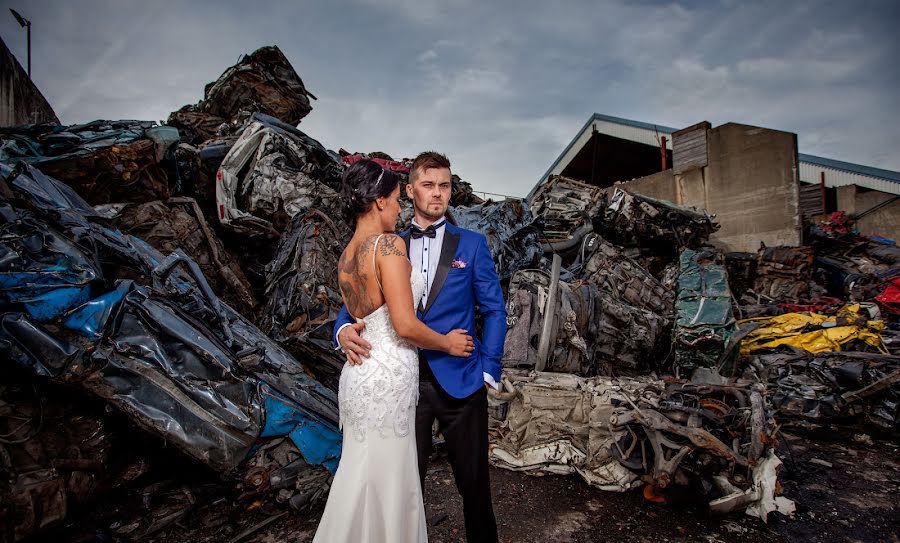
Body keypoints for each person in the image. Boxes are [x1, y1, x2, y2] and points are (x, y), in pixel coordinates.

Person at [335, 151, 506, 543]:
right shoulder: (387, 242)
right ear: (409, 191)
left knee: (475, 488)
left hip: (463, 382)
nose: (437, 193)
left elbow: (495, 310)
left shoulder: (473, 245)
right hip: (404, 387)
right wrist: (342, 330)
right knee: (404, 487)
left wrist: (488, 370)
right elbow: (356, 303)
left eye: (444, 185)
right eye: (428, 185)